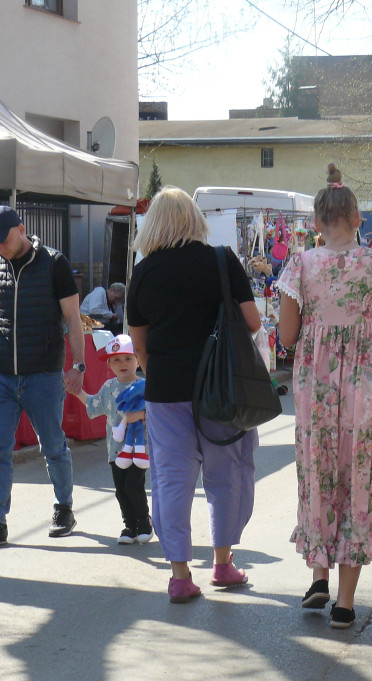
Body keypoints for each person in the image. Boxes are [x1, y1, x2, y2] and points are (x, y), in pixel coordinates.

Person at [277, 163, 372, 629]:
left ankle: (317, 574)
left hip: (313, 386)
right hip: (366, 384)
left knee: (319, 472)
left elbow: (286, 336)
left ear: (317, 222)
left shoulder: (299, 265)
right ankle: (344, 602)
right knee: (357, 476)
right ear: (358, 218)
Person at [126, 186, 259, 603]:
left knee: (172, 479)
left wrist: (158, 371)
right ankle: (222, 563)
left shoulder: (144, 272)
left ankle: (180, 575)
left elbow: (138, 339)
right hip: (221, 389)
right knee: (228, 472)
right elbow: (252, 322)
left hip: (165, 390)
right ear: (194, 219)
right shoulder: (221, 260)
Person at [0, 206, 85, 549]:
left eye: (3, 240)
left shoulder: (54, 263)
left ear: (21, 229)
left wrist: (78, 367)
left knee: (52, 446)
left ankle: (64, 508)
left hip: (43, 374)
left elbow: (74, 320)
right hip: (1, 373)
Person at [69, 333, 152, 546]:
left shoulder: (146, 386)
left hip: (139, 449)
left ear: (137, 360)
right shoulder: (108, 387)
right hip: (115, 449)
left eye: (127, 358)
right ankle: (129, 525)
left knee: (134, 484)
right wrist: (77, 392)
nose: (122, 364)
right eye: (116, 360)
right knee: (121, 489)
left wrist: (142, 415)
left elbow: (157, 413)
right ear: (109, 364)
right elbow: (94, 405)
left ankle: (144, 522)